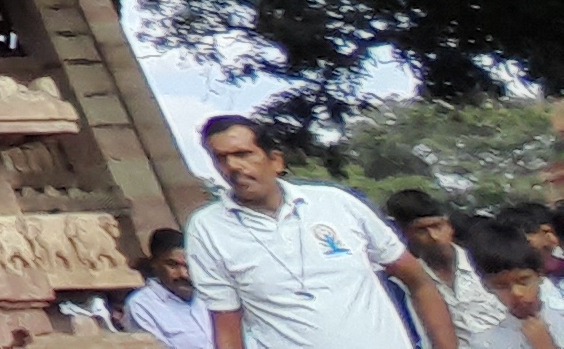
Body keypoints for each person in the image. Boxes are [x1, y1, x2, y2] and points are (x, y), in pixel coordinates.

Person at [184, 115, 458, 349]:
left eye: (243, 154)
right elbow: (226, 327)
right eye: (221, 158)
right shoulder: (208, 229)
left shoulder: (336, 204)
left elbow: (418, 280)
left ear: (275, 161)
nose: (233, 167)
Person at [387, 189, 515, 348]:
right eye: (421, 230)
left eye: (437, 226)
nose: (433, 236)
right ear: (406, 234)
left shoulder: (484, 262)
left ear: (449, 226)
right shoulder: (409, 280)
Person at [466, 228, 564, 349]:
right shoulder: (487, 342)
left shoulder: (560, 314)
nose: (516, 293)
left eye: (523, 281)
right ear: (487, 286)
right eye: (502, 286)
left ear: (539, 275)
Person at [126, 226, 215, 349]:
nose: (183, 274)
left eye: (188, 266)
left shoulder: (209, 297)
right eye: (172, 265)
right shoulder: (142, 305)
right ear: (154, 264)